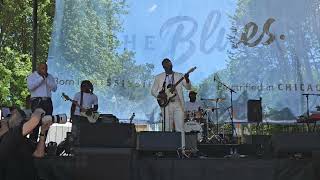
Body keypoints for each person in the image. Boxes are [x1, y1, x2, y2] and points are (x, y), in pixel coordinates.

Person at [0, 108, 52, 180]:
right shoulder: (9, 137)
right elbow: (34, 121)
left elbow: (39, 154)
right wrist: (38, 110)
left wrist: (42, 132)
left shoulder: (26, 141)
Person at [151, 58, 192, 132]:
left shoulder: (179, 75)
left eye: (169, 64)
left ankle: (181, 143)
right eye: (166, 64)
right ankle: (168, 143)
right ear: (163, 67)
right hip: (166, 104)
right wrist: (160, 96)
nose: (168, 65)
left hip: (178, 103)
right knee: (167, 127)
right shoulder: (158, 77)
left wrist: (187, 79)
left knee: (180, 127)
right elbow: (153, 91)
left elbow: (188, 87)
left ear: (172, 64)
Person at [27, 63, 57, 142]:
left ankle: (42, 144)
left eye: (46, 68)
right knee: (35, 124)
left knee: (47, 122)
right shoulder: (32, 76)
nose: (45, 70)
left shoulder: (50, 76)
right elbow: (30, 87)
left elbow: (54, 88)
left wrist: (46, 79)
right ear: (38, 68)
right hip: (37, 102)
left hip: (48, 102)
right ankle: (32, 144)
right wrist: (41, 78)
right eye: (43, 68)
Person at [70, 80, 98, 144]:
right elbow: (73, 106)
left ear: (89, 87)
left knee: (84, 133)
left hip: (87, 117)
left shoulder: (94, 96)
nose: (82, 87)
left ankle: (82, 146)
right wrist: (72, 116)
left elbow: (96, 107)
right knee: (74, 133)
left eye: (84, 86)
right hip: (77, 116)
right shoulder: (78, 94)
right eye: (82, 86)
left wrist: (90, 110)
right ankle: (73, 147)